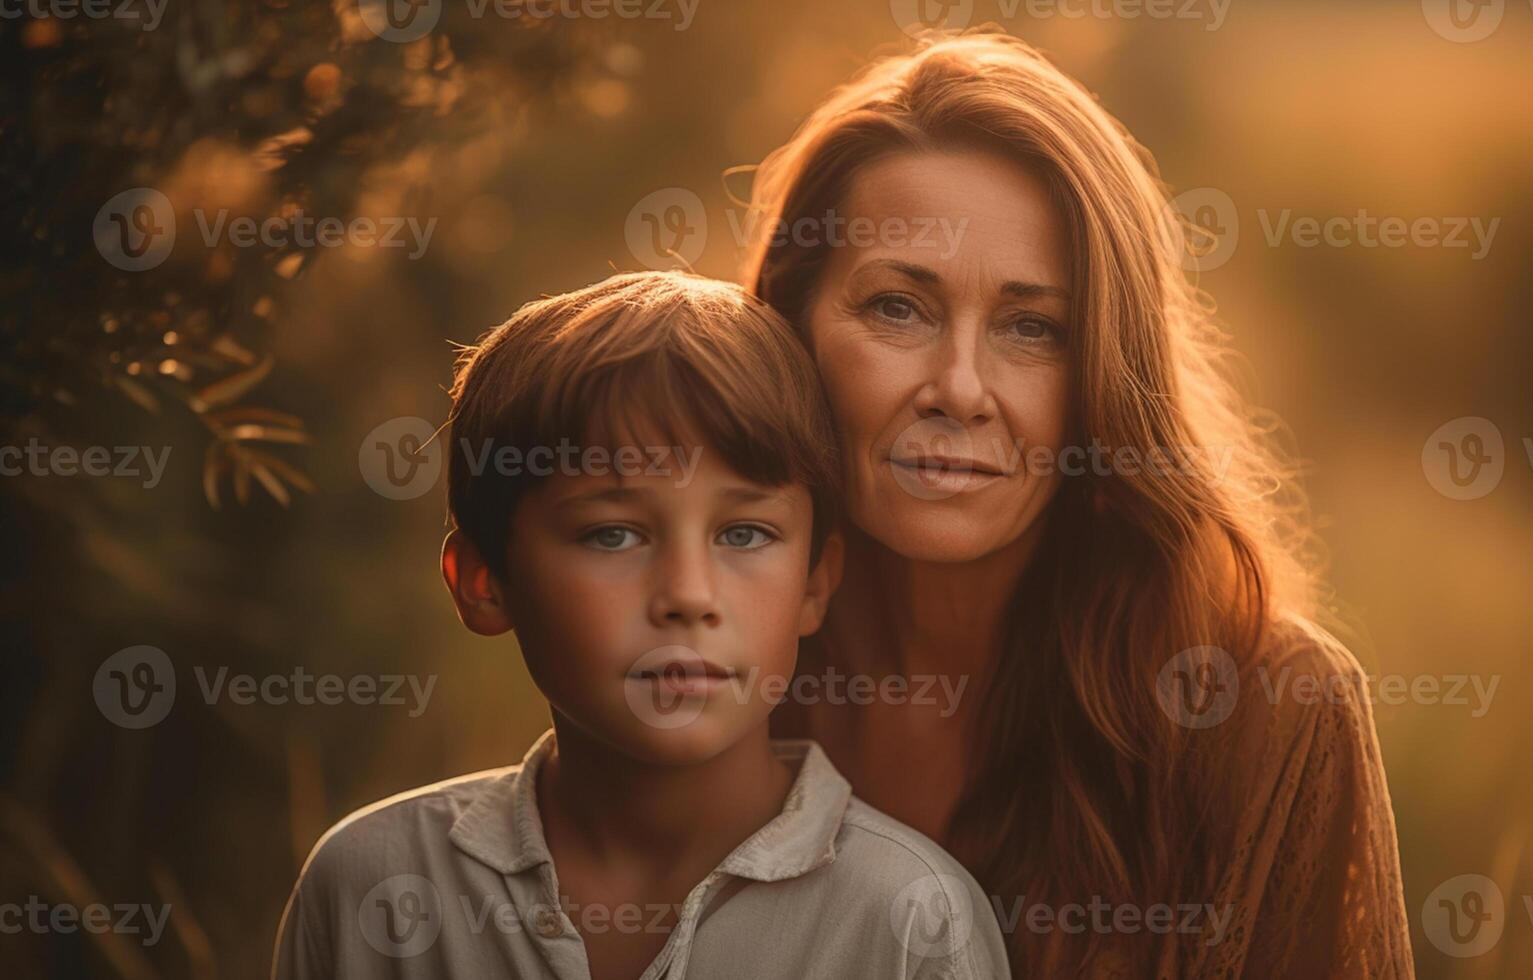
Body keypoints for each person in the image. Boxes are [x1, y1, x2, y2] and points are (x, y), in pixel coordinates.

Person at [745, 32, 1414, 978]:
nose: (961, 388)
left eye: (1033, 328)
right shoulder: (707, 665)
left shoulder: (1264, 716)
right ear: (788, 321)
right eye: (899, 307)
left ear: (1104, 374)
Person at [270, 271, 1011, 980]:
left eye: (745, 534)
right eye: (612, 536)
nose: (688, 596)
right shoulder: (372, 885)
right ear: (483, 583)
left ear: (815, 583)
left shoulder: (911, 920)